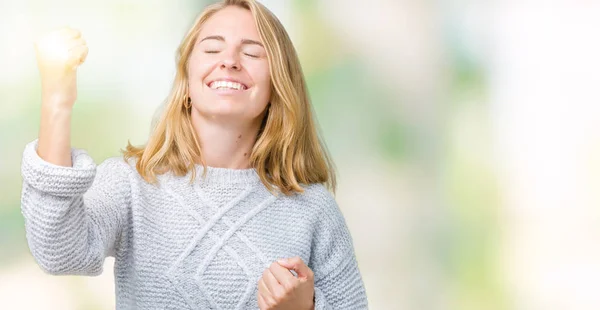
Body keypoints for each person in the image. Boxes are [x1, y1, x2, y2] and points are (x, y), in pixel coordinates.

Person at [21, 0, 368, 309]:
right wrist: (57, 98)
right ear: (187, 81)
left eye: (251, 52)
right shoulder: (132, 184)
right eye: (212, 49)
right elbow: (58, 251)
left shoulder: (315, 210)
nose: (229, 62)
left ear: (277, 85)